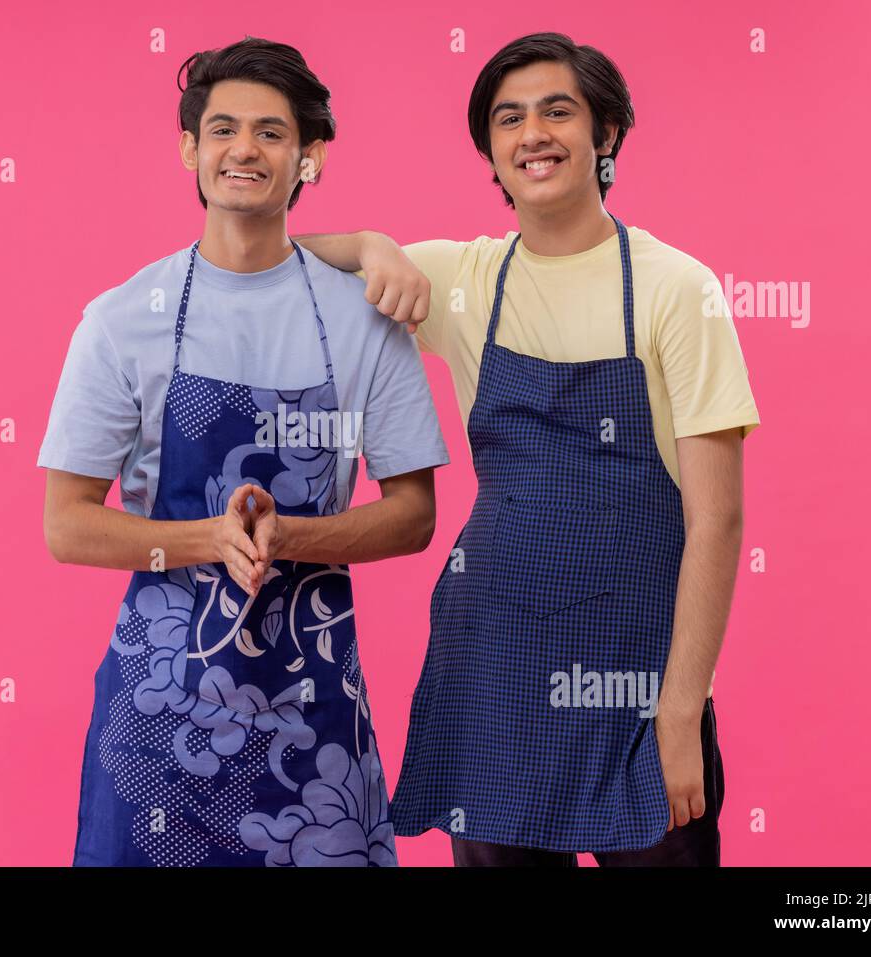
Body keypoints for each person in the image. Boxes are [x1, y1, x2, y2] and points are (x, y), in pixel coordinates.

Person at [295, 32, 759, 866]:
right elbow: (286, 265)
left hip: (642, 679)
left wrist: (682, 709)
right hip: (497, 667)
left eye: (557, 111)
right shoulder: (467, 278)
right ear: (493, 154)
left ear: (605, 133)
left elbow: (717, 521)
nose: (532, 134)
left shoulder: (675, 288)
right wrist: (372, 245)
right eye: (509, 119)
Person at [36, 36, 450, 867]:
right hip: (158, 727)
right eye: (223, 130)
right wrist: (205, 540)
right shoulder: (123, 320)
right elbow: (68, 525)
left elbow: (413, 516)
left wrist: (288, 536)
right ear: (191, 150)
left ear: (308, 158)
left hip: (314, 720)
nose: (244, 150)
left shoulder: (366, 318)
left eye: (271, 132)